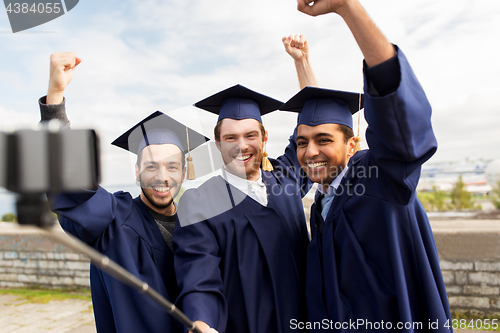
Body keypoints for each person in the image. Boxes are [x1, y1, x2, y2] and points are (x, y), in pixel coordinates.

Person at [279, 1, 453, 331]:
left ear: (353, 145)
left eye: (324, 140)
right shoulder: (323, 202)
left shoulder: (383, 180)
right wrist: (303, 63)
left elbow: (396, 113)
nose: (310, 151)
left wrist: (347, 8)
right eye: (301, 142)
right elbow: (317, 116)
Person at [38, 52, 217, 333]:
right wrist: (56, 100)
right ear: (136, 172)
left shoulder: (199, 226)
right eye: (151, 167)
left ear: (184, 172)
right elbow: (72, 185)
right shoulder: (114, 221)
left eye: (172, 166)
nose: (162, 177)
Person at [173, 84, 313, 333]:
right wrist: (202, 322)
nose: (241, 146)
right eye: (230, 138)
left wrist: (302, 62)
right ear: (217, 142)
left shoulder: (285, 179)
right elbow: (198, 275)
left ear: (264, 138)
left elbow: (313, 125)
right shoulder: (200, 203)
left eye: (250, 135)